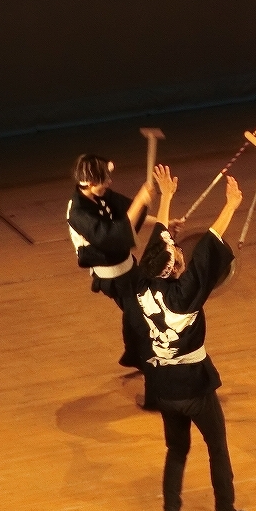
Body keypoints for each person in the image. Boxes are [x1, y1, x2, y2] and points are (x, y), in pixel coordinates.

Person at [135, 164, 248, 511]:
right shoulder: (184, 294)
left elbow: (158, 243)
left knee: (177, 448)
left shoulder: (142, 282)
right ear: (174, 267)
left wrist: (166, 197)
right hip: (193, 384)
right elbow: (207, 250)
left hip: (163, 384)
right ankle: (225, 509)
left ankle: (172, 509)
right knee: (217, 446)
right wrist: (231, 206)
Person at [66, 154, 155, 373]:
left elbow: (129, 214)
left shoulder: (102, 195)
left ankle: (134, 355)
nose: (109, 182)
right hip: (112, 278)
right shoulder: (79, 213)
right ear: (90, 182)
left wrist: (163, 222)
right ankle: (150, 365)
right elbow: (112, 236)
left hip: (128, 269)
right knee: (143, 318)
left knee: (137, 313)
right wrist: (140, 200)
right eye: (104, 179)